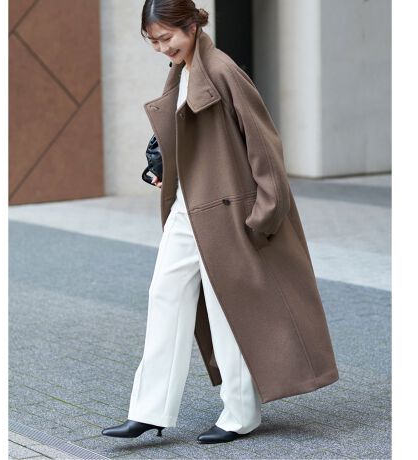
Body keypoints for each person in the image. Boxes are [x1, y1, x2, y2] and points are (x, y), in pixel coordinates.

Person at [102, 0, 338, 446]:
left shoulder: (223, 71)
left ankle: (241, 413)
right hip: (188, 207)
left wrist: (264, 215)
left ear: (191, 25)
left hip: (227, 211)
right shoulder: (182, 69)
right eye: (152, 41)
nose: (161, 48)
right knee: (164, 295)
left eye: (166, 37)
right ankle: (148, 411)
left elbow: (264, 144)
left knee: (227, 309)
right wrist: (163, 166)